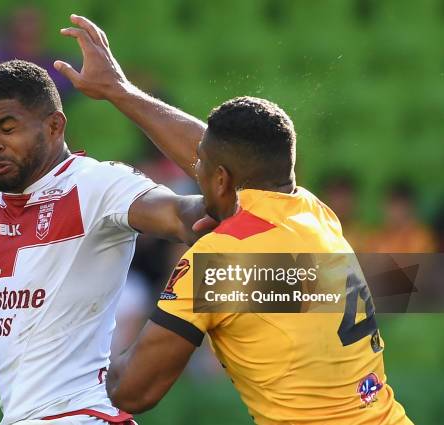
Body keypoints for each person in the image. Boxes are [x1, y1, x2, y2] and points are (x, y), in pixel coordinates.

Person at [54, 15, 413, 424]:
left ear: (220, 179)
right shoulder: (315, 213)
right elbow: (216, 157)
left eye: (203, 169)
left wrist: (66, 362)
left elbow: (133, 390)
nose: (197, 170)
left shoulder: (221, 265)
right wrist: (119, 91)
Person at [0, 59, 211, 425]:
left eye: (7, 128)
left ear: (54, 126)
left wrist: (120, 92)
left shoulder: (96, 186)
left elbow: (192, 214)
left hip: (83, 415)